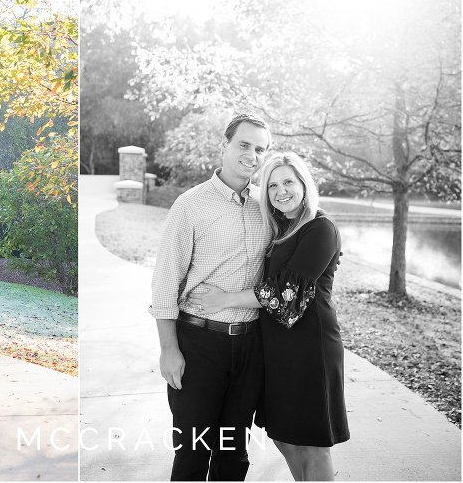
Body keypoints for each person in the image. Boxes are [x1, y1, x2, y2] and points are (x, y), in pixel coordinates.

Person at [197, 152, 350, 481]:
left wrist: (226, 299)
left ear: (304, 185)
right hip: (276, 350)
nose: (281, 191)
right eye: (273, 185)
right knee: (283, 435)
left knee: (313, 442)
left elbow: (287, 296)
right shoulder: (281, 227)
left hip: (311, 349)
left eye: (289, 182)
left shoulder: (320, 228)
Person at [150, 113, 273, 481]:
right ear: (224, 145)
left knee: (233, 456)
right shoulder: (190, 205)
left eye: (261, 149)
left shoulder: (265, 207)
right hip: (199, 345)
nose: (252, 155)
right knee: (192, 451)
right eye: (244, 145)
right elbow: (165, 283)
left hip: (250, 347)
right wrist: (169, 349)